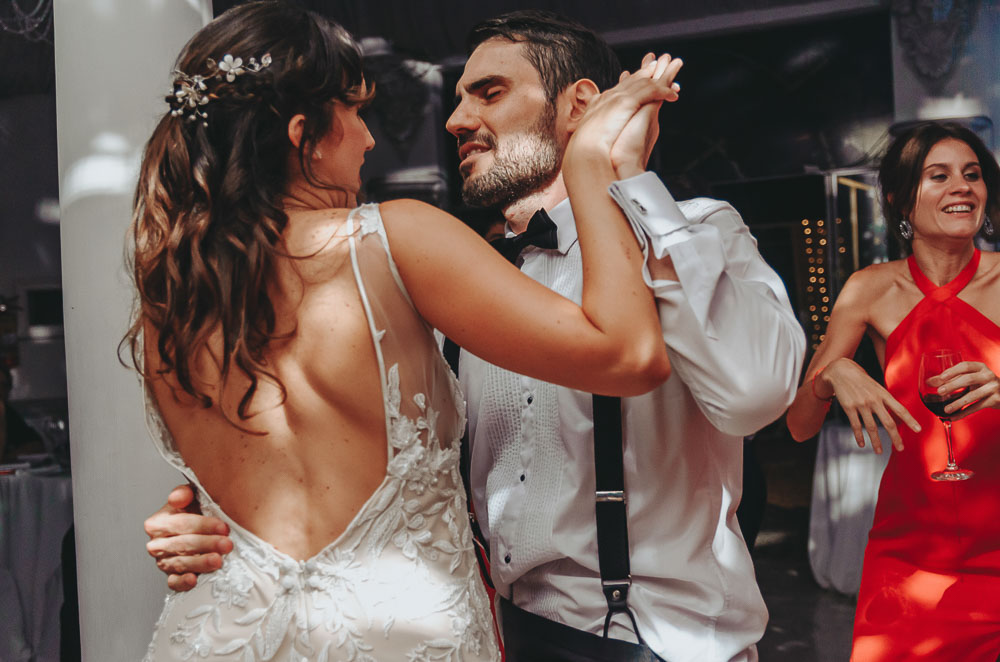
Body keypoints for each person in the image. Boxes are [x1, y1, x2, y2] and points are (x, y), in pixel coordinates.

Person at [145, 10, 806, 661]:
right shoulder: (440, 280)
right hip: (489, 631)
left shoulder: (692, 232)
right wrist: (235, 521)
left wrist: (626, 183)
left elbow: (753, 396)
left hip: (656, 640)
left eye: (489, 92)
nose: (455, 120)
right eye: (459, 98)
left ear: (580, 105)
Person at [786, 121, 1000, 661]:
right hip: (910, 557)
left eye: (972, 174)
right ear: (901, 199)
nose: (962, 186)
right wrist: (832, 373)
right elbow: (799, 426)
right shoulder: (870, 289)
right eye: (939, 175)